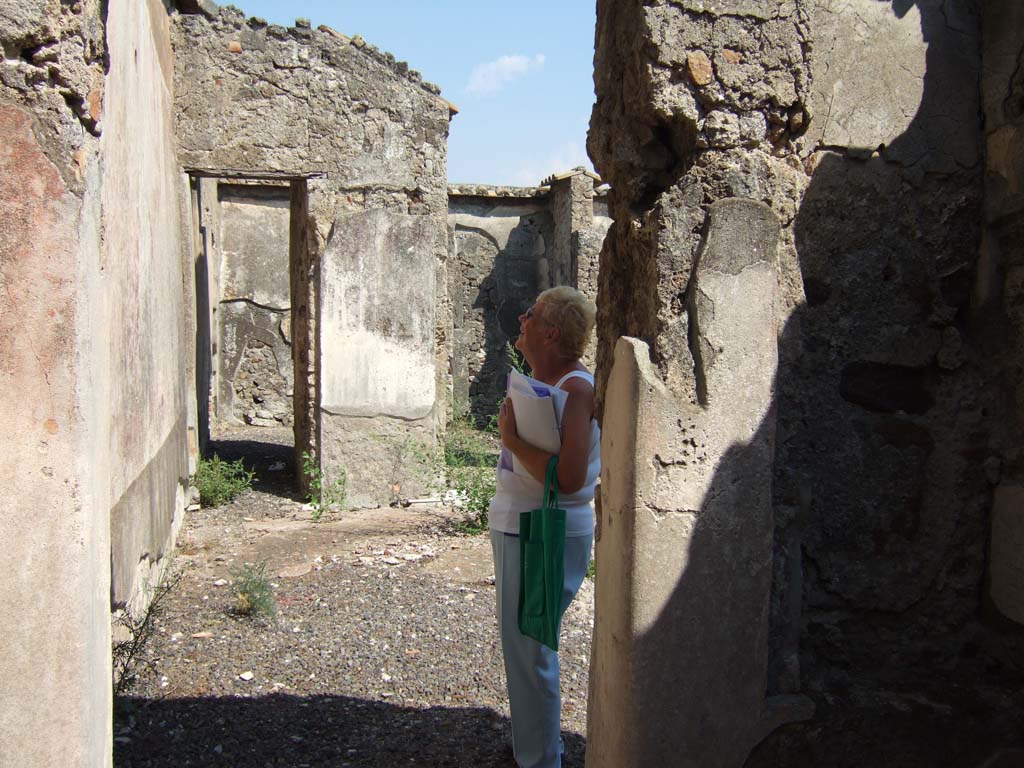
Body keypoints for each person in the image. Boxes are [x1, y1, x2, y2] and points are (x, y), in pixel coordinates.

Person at [490, 286, 600, 768]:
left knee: (532, 650)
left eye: (531, 314)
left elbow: (572, 478)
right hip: (524, 525)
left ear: (551, 332)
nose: (522, 317)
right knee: (523, 647)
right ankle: (535, 749)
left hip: (543, 528)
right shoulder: (546, 379)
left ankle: (541, 762)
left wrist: (511, 438)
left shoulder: (576, 388)